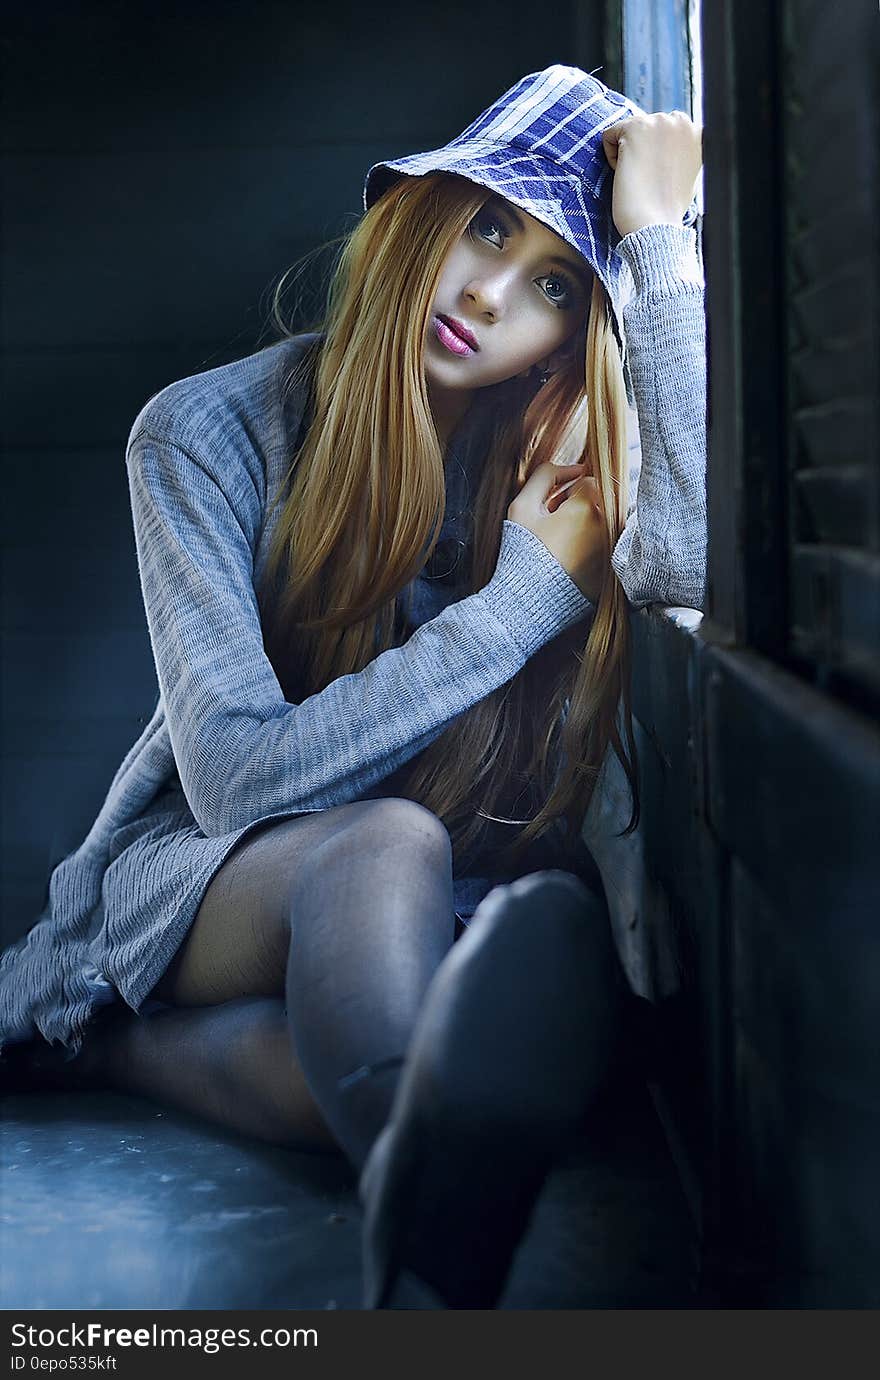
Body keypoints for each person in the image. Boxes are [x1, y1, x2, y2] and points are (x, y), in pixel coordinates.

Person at [0, 65, 706, 1308]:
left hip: (438, 898)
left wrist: (656, 244)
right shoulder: (209, 432)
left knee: (509, 964)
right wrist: (521, 603)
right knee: (379, 842)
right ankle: (423, 1196)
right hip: (218, 875)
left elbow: (695, 552)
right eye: (487, 224)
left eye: (552, 284)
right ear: (421, 210)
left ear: (574, 333)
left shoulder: (562, 454)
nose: (488, 295)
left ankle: (123, 1048)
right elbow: (233, 779)